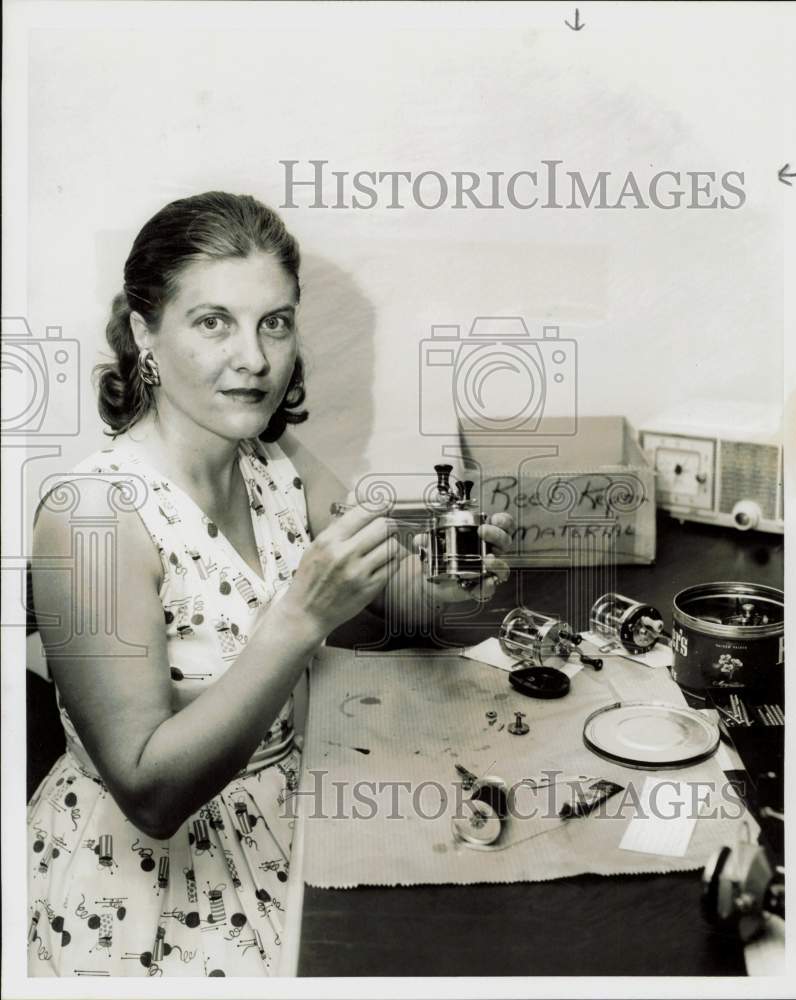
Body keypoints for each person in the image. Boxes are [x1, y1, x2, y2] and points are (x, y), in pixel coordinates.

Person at [27, 192, 514, 977]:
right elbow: (149, 794)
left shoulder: (275, 467)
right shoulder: (90, 518)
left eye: (274, 322)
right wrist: (296, 620)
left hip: (295, 814)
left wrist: (453, 586)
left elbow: (398, 598)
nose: (253, 358)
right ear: (145, 333)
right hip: (155, 892)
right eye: (212, 321)